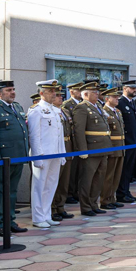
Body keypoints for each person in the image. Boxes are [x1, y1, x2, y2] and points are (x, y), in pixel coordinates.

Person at [0, 80, 30, 237]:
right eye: (9, 90)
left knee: (11, 191)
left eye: (13, 89)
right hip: (2, 159)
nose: (13, 92)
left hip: (17, 157)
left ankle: (10, 221)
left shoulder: (17, 107)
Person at [26, 80, 66, 228]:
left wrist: (62, 154)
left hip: (55, 153)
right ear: (41, 93)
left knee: (50, 185)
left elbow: (59, 135)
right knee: (39, 186)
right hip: (43, 154)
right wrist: (37, 156)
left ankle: (46, 214)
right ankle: (37, 217)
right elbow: (34, 135)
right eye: (50, 91)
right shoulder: (36, 110)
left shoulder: (55, 110)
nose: (53, 94)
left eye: (54, 91)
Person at [72, 82, 111, 215]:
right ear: (85, 94)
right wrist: (83, 150)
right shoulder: (81, 107)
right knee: (87, 180)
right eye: (94, 92)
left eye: (97, 91)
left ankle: (94, 204)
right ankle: (86, 207)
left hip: (102, 148)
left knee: (99, 178)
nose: (97, 93)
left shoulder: (98, 105)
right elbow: (79, 130)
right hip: (91, 149)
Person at [101, 87, 128, 209]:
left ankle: (112, 197)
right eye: (114, 97)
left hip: (120, 147)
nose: (117, 99)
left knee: (117, 175)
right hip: (112, 147)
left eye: (117, 97)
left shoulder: (117, 111)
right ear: (107, 98)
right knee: (109, 175)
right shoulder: (104, 111)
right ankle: (105, 199)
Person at [51, 92, 76, 222]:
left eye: (61, 95)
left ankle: (60, 206)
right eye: (57, 95)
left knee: (64, 180)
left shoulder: (65, 111)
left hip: (67, 147)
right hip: (56, 147)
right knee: (55, 180)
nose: (61, 97)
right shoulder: (49, 111)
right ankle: (52, 208)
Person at [116, 81, 136, 202]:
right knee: (124, 169)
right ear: (125, 88)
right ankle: (121, 193)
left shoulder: (131, 103)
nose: (134, 90)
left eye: (135, 88)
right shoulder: (120, 103)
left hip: (133, 140)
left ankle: (126, 191)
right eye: (131, 88)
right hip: (126, 141)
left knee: (129, 169)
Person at [61, 82, 84, 205]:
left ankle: (75, 191)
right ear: (71, 91)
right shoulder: (67, 105)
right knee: (71, 169)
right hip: (70, 140)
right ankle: (69, 193)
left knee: (78, 169)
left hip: (77, 141)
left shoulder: (82, 104)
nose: (80, 92)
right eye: (78, 90)